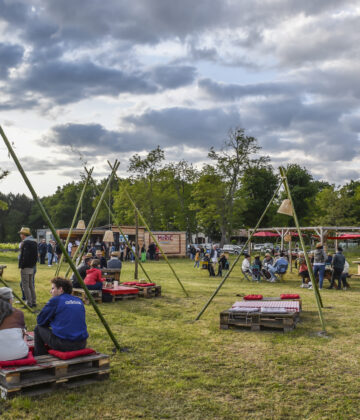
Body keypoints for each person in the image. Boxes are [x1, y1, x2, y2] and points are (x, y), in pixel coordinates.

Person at [34, 278, 88, 356]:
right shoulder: (78, 300)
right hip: (82, 343)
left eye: (53, 288)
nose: (50, 291)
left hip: (64, 344)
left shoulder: (56, 300)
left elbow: (40, 321)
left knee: (38, 328)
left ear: (60, 289)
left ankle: (40, 356)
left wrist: (50, 321)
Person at [0, 287, 28, 361]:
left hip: (1, 357)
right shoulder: (18, 313)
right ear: (10, 300)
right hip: (21, 353)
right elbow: (22, 332)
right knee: (24, 332)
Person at [18, 227, 38, 308]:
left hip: (26, 267)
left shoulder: (26, 243)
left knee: (25, 286)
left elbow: (25, 256)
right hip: (32, 266)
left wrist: (22, 265)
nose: (20, 235)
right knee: (31, 285)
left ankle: (29, 303)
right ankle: (33, 302)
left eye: (21, 234)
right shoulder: (34, 242)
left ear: (23, 235)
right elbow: (36, 256)